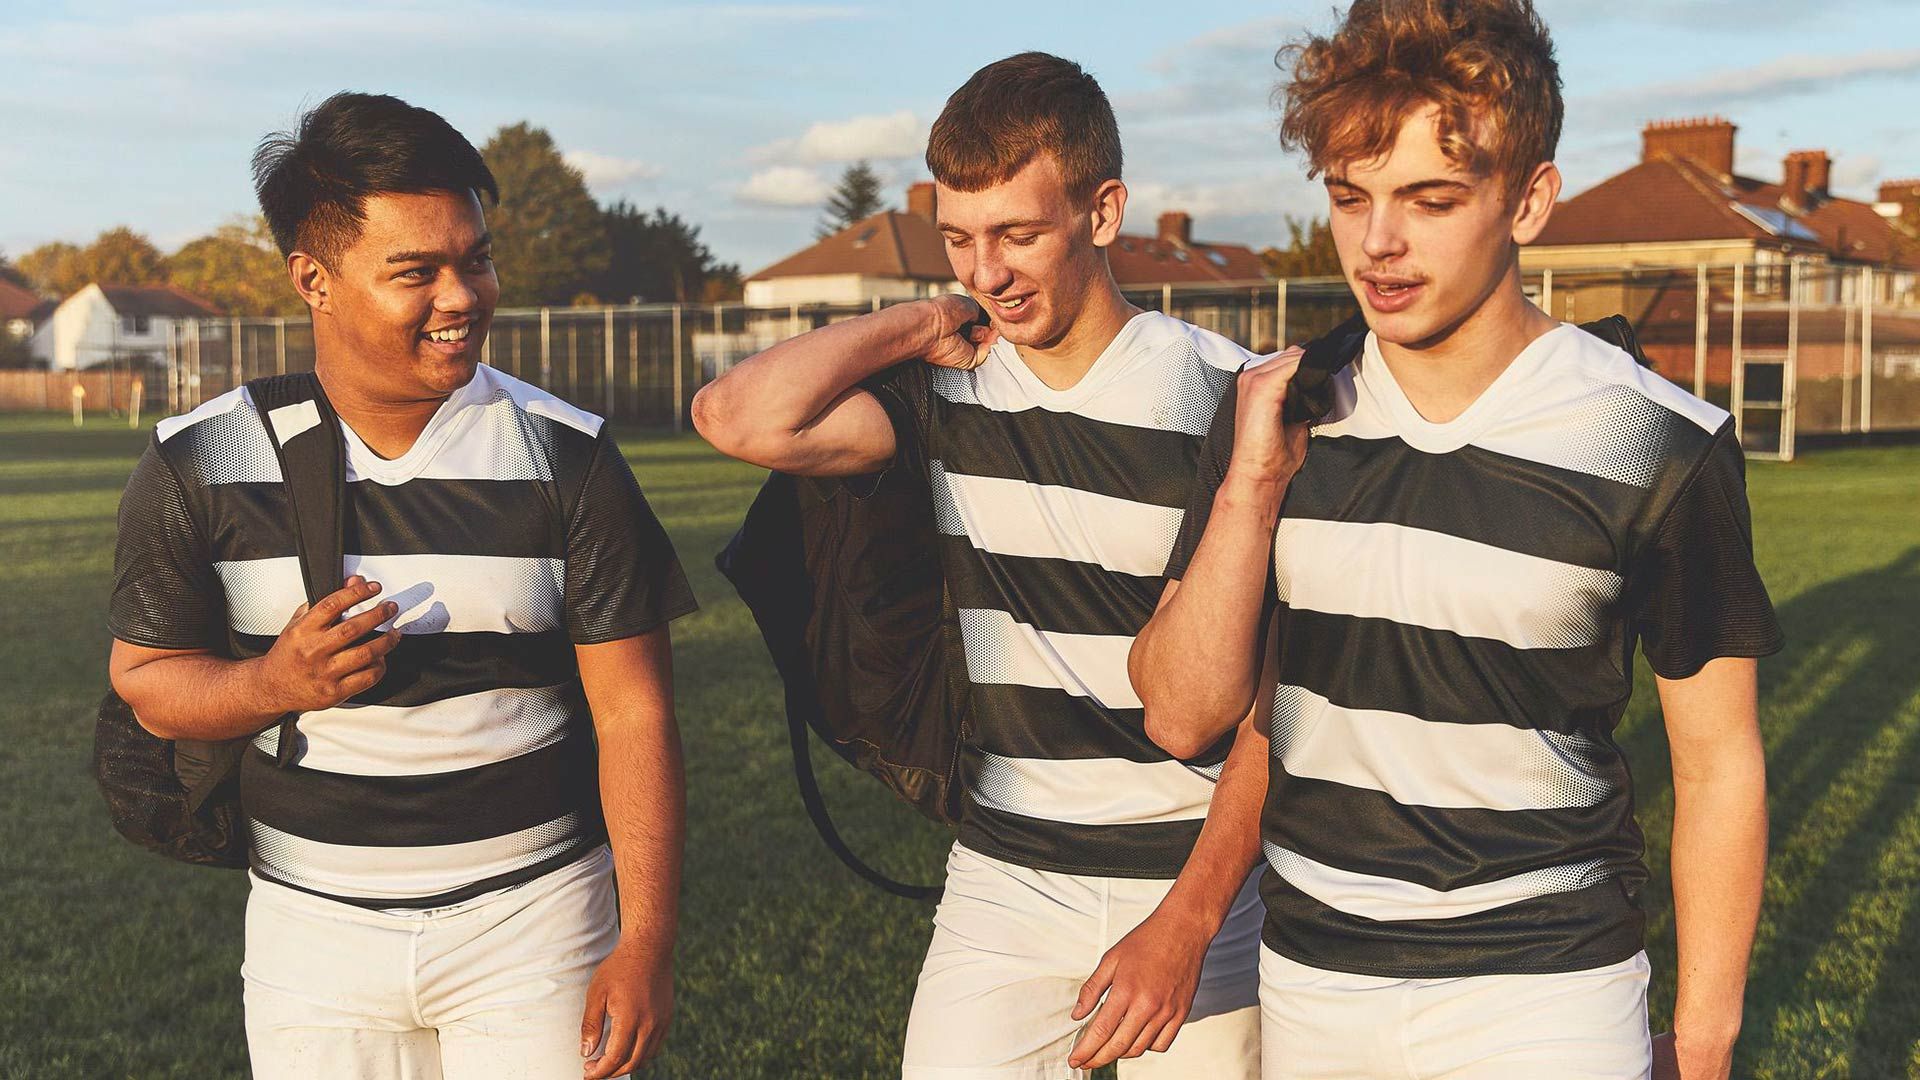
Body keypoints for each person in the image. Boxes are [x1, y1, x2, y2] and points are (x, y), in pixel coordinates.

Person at [1129, 3, 1783, 1078]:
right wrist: (1250, 483)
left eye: (1429, 200)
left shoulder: (1662, 443)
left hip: (1546, 989)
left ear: (1529, 201)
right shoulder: (1275, 413)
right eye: (1350, 197)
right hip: (1315, 980)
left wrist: (1705, 1042)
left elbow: (1717, 766)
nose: (1378, 243)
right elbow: (1182, 711)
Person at [695, 51, 1266, 1080]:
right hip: (1004, 880)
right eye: (959, 240)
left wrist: (1190, 920)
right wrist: (920, 322)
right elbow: (733, 416)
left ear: (1103, 213)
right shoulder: (944, 391)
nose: (987, 272)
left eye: (1017, 234)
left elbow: (1283, 696)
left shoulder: (1225, 399)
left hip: (1196, 879)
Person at [106, 92, 696, 1080]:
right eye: (416, 271)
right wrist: (272, 684)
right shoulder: (198, 459)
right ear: (314, 278)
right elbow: (147, 681)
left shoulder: (569, 456)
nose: (461, 296)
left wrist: (645, 943)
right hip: (311, 940)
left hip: (539, 922)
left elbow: (634, 711)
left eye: (476, 257)